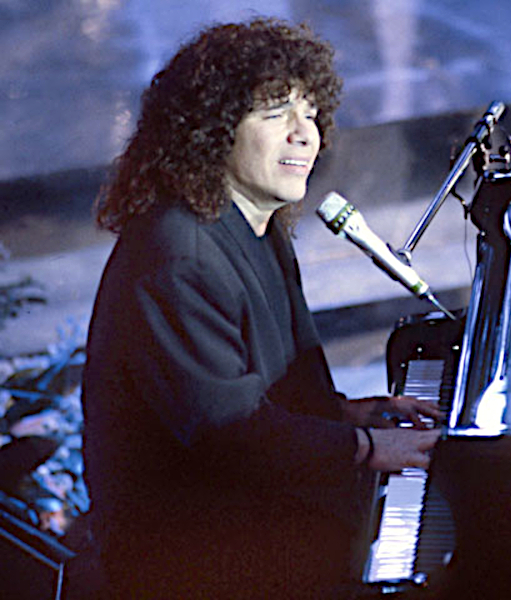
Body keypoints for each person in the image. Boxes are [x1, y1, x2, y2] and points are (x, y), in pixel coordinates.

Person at [79, 17, 441, 599]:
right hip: (202, 567)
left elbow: (266, 394)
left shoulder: (254, 225)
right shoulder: (180, 256)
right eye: (275, 114)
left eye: (310, 113)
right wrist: (370, 449)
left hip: (253, 525)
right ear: (213, 130)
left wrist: (352, 415)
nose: (305, 134)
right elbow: (231, 431)